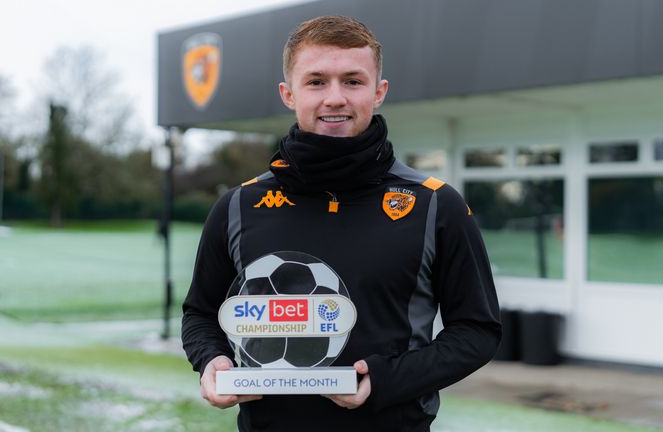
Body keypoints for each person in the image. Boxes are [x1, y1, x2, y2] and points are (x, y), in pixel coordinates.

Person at [182, 15, 501, 432]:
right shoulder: (239, 205)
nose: (335, 98)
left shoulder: (435, 204)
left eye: (353, 81)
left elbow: (478, 330)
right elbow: (201, 314)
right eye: (316, 81)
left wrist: (385, 381)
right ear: (288, 94)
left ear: (379, 92)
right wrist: (213, 361)